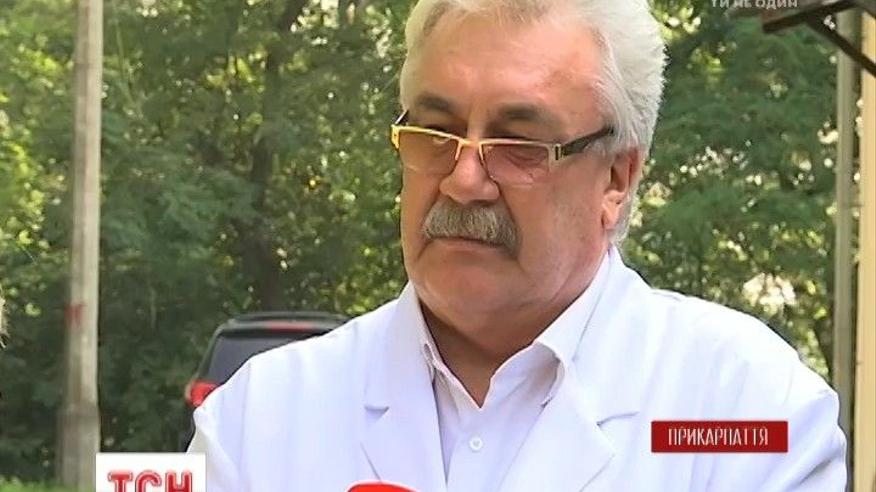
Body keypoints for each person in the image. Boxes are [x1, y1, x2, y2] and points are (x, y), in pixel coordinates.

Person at [188, 0, 847, 489]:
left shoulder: (747, 411)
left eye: (519, 144)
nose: (463, 179)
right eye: (436, 131)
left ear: (616, 178)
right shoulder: (261, 421)